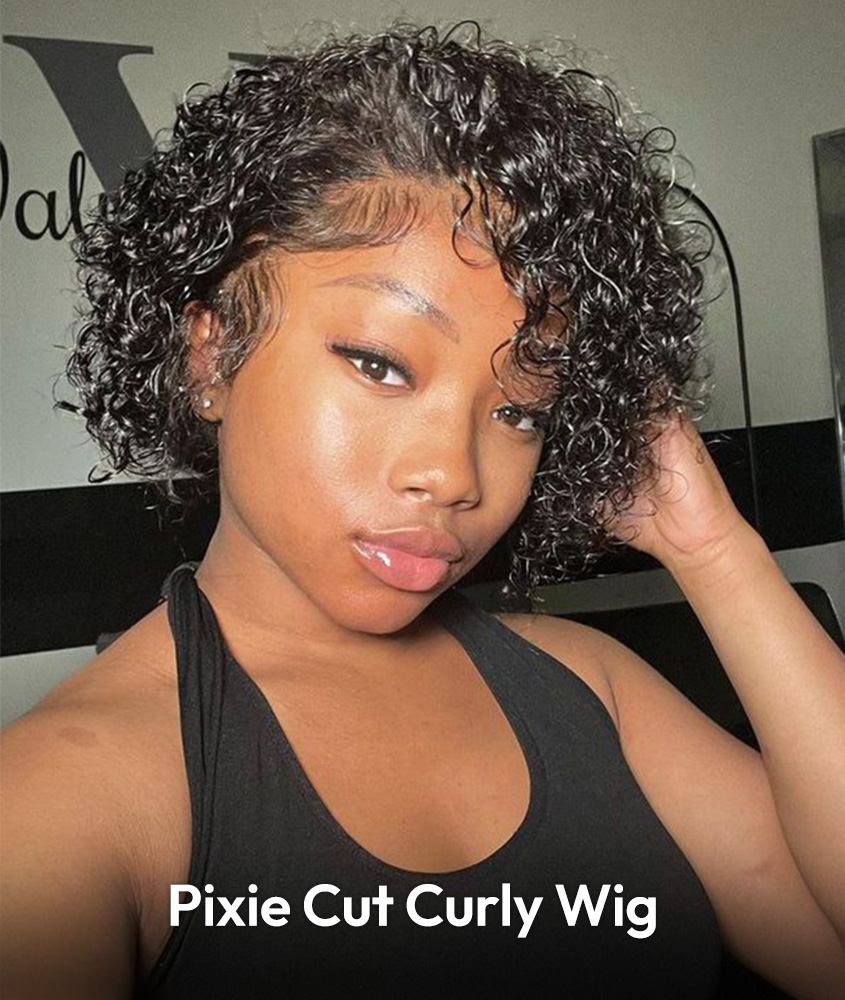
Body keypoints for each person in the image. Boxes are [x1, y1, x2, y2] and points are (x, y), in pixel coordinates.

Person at [1, 19, 844, 1000]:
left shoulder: (589, 686)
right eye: (378, 365)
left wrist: (713, 551)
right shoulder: (61, 800)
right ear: (211, 354)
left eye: (518, 411)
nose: (452, 475)